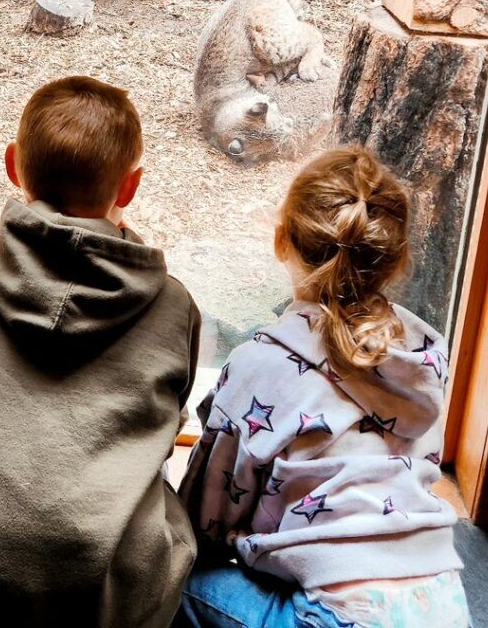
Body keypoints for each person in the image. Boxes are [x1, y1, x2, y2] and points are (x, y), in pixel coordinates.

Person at [0, 76, 202, 628]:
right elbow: (173, 413)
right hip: (116, 588)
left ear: (13, 165)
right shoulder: (171, 305)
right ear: (130, 187)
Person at [176, 145, 469, 628]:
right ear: (396, 261)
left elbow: (207, 518)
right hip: (440, 602)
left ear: (281, 241)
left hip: (335, 616)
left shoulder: (260, 364)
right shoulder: (421, 356)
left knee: (176, 581)